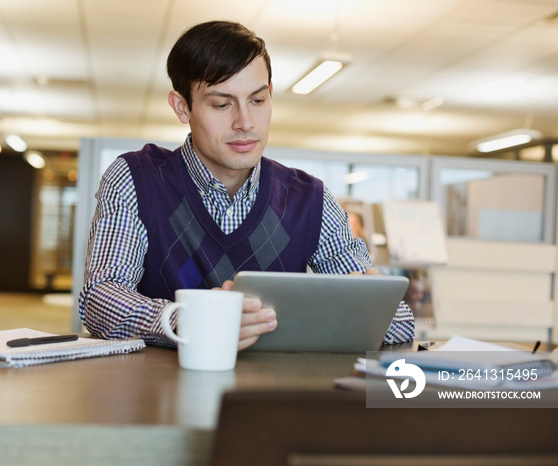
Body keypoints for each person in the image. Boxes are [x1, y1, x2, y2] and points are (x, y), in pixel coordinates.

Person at [79, 20, 415, 350]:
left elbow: (398, 319)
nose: (245, 122)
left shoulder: (309, 198)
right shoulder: (137, 179)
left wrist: (370, 310)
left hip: (276, 398)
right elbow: (101, 296)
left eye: (257, 101)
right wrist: (185, 319)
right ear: (182, 107)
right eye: (222, 104)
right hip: (162, 394)